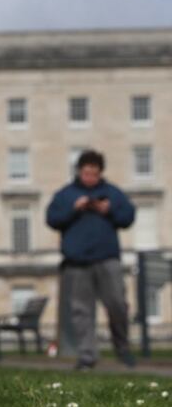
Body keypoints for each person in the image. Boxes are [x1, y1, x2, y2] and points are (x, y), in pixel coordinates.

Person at [46, 150, 136, 370]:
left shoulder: (112, 193)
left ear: (100, 173)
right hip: (76, 262)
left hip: (107, 259)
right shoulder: (65, 194)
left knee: (117, 304)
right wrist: (73, 208)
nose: (90, 178)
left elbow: (128, 217)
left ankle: (122, 347)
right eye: (86, 173)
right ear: (79, 171)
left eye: (94, 174)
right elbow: (52, 219)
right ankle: (87, 355)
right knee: (81, 311)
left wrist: (109, 209)